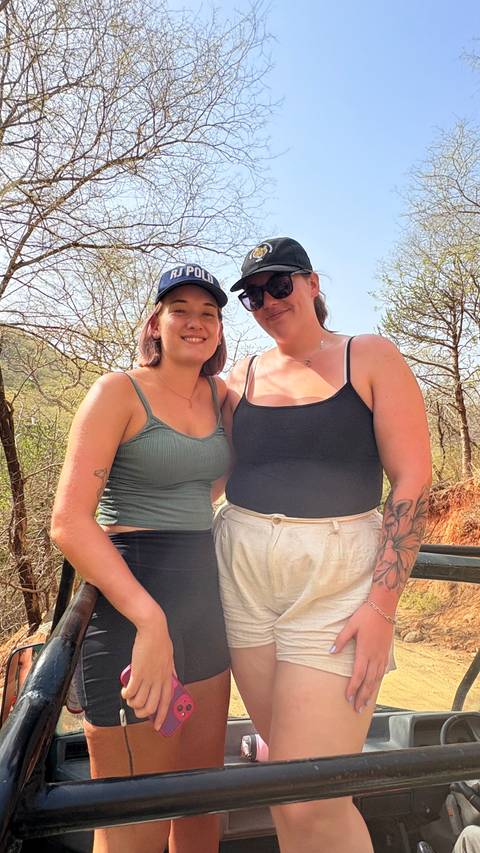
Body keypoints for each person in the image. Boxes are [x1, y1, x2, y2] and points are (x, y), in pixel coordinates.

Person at [214, 237, 432, 853]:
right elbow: (207, 478)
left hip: (337, 582)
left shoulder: (369, 356)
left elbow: (412, 480)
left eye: (279, 284)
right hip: (244, 576)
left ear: (312, 284)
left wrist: (382, 606)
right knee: (287, 781)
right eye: (253, 294)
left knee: (311, 796)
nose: (267, 301)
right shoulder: (240, 378)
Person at [51, 264, 231, 853]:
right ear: (156, 320)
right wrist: (150, 622)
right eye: (180, 308)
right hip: (131, 601)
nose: (195, 322)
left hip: (204, 601)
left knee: (200, 804)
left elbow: (205, 485)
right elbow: (69, 523)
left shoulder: (221, 397)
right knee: (136, 820)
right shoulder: (116, 391)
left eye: (209, 312)